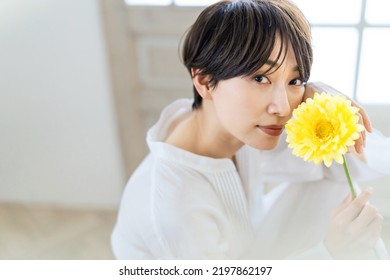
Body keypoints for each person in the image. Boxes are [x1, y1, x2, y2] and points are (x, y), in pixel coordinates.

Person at [111, 0, 390, 259]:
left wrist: (323, 100)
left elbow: (344, 168)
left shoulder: (225, 120)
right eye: (260, 78)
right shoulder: (174, 206)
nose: (282, 107)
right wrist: (329, 252)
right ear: (205, 81)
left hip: (248, 244)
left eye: (295, 80)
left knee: (337, 187)